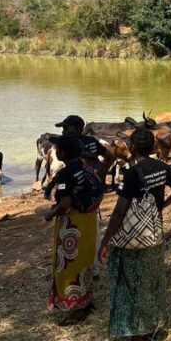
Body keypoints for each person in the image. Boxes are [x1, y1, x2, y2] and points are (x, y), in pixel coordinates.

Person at [100, 128, 171, 341]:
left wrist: (105, 240)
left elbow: (120, 212)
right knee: (151, 281)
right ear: (153, 147)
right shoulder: (161, 167)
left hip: (132, 240)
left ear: (131, 148)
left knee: (130, 286)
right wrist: (163, 205)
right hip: (153, 233)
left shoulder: (133, 173)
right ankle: (152, 328)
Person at [44, 135, 104, 326]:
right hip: (88, 221)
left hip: (72, 224)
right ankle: (86, 301)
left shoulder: (66, 174)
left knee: (68, 265)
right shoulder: (86, 167)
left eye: (57, 148)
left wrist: (51, 214)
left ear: (62, 152)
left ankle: (75, 308)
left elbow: (65, 203)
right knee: (84, 262)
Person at [52, 115, 111, 277]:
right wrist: (99, 176)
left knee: (85, 229)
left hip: (81, 195)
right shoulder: (86, 143)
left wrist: (101, 175)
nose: (63, 131)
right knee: (90, 227)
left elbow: (109, 157)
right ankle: (90, 267)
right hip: (88, 193)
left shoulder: (84, 144)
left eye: (66, 127)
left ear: (78, 128)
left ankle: (89, 268)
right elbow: (108, 157)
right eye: (63, 128)